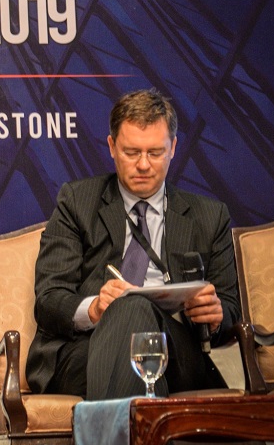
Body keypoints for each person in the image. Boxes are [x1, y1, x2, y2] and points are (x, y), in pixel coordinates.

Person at [26, 88, 240, 399]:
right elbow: (49, 299)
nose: (143, 165)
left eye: (155, 152)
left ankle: (119, 427)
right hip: (86, 350)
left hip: (175, 353)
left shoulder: (209, 216)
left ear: (173, 148)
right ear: (112, 147)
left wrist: (215, 316)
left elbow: (231, 310)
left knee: (135, 309)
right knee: (131, 309)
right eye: (131, 152)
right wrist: (94, 308)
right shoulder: (77, 202)